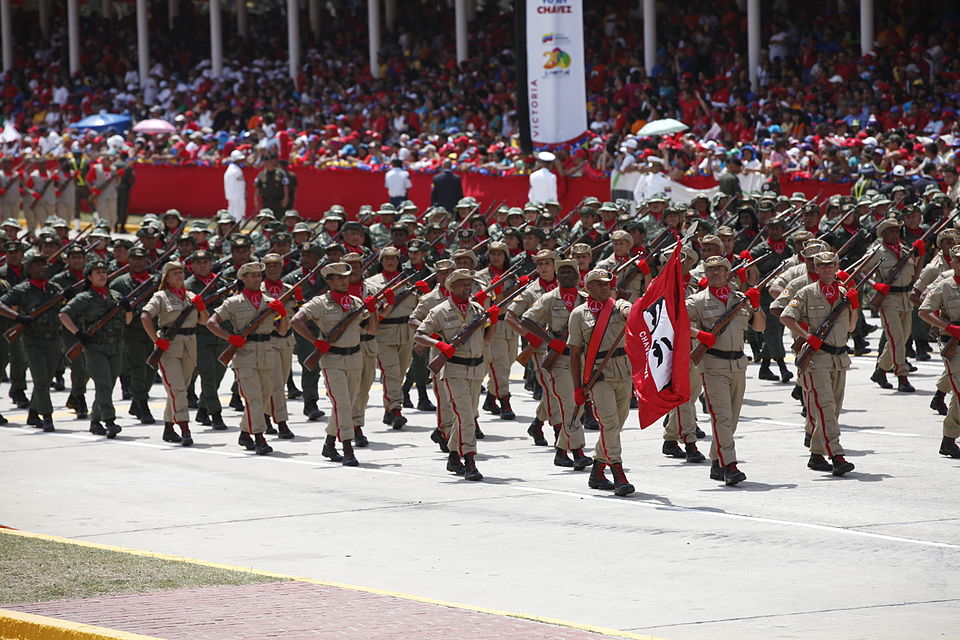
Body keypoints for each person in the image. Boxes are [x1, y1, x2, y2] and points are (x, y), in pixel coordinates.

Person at [687, 256, 765, 486]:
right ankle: (730, 465)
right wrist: (699, 335)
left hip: (738, 364)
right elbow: (677, 321)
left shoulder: (740, 300)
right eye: (710, 270)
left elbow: (759, 327)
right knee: (721, 418)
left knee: (731, 420)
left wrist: (757, 306)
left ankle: (716, 461)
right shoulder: (697, 301)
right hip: (712, 365)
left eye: (720, 269)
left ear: (728, 272)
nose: (714, 273)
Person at [291, 262, 379, 467]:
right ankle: (347, 448)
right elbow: (297, 320)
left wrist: (373, 311)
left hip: (355, 357)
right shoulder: (320, 303)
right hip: (332, 359)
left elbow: (371, 331)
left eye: (346, 277)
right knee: (343, 404)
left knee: (346, 405)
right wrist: (316, 341)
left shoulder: (356, 303)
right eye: (338, 278)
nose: (343, 281)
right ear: (329, 281)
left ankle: (329, 443)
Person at [780, 251, 858, 476]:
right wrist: (806, 336)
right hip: (816, 359)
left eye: (830, 266)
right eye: (821, 266)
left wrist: (855, 305)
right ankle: (836, 454)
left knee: (832, 409)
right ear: (816, 267)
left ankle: (816, 454)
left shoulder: (843, 293)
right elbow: (786, 316)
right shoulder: (806, 292)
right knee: (825, 408)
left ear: (836, 267)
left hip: (839, 358)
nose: (826, 270)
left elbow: (851, 327)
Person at [414, 268, 494, 482]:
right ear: (451, 287)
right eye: (462, 284)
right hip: (453, 370)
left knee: (465, 416)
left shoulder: (477, 309)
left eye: (469, 284)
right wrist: (439, 344)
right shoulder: (440, 311)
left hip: (476, 370)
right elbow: (419, 334)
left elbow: (487, 338)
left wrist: (493, 320)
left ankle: (452, 456)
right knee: (466, 417)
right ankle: (469, 460)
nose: (467, 288)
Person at [206, 261, 286, 456]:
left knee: (264, 398)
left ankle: (244, 432)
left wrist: (283, 314)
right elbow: (211, 322)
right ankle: (259, 437)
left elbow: (282, 331)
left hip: (266, 351)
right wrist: (230, 338)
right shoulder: (234, 302)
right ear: (243, 278)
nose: (257, 279)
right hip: (245, 353)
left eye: (259, 276)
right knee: (253, 399)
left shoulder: (269, 302)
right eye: (252, 275)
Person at [520, 259, 593, 470]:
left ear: (578, 276)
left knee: (578, 407)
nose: (567, 275)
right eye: (563, 272)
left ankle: (561, 452)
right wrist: (549, 340)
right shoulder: (549, 298)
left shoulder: (586, 299)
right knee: (569, 406)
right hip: (559, 359)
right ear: (558, 276)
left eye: (571, 272)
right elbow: (526, 319)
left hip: (580, 359)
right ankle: (578, 452)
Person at [568, 268, 634, 496]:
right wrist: (578, 387)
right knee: (610, 425)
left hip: (623, 373)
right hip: (599, 377)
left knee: (616, 425)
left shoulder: (618, 305)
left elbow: (630, 311)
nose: (605, 287)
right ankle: (617, 471)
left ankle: (597, 470)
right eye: (599, 284)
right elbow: (575, 354)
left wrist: (629, 310)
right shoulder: (579, 314)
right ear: (588, 288)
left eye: (607, 284)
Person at [59, 261, 125, 439]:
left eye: (104, 272)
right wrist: (78, 333)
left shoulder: (116, 295)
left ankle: (95, 421)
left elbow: (126, 320)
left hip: (115, 346)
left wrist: (127, 309)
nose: (102, 275)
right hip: (95, 348)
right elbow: (64, 314)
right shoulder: (84, 297)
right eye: (97, 272)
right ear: (89, 277)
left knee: (108, 386)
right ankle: (109, 421)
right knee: (103, 384)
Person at [0, 255, 63, 431]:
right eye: (37, 264)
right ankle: (47, 416)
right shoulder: (20, 290)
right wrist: (17, 317)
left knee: (46, 378)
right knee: (41, 380)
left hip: (53, 339)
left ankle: (34, 413)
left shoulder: (54, 289)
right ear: (29, 268)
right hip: (32, 340)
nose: (42, 267)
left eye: (44, 264)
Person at [141, 261, 197, 446]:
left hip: (189, 345)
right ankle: (184, 427)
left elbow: (204, 321)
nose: (179, 276)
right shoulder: (160, 296)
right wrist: (156, 341)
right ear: (166, 277)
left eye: (181, 272)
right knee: (178, 389)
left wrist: (202, 307)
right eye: (174, 273)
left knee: (177, 390)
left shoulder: (191, 297)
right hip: (169, 346)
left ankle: (168, 427)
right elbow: (145, 316)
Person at [869, 218, 922, 392]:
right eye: (891, 231)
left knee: (900, 338)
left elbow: (914, 274)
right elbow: (860, 271)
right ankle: (902, 376)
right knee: (897, 339)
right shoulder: (877, 252)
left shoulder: (904, 249)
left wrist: (920, 255)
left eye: (897, 231)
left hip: (905, 298)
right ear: (883, 233)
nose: (895, 234)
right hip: (889, 299)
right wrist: (875, 285)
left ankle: (880, 370)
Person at [918, 244, 960, 459]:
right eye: (958, 260)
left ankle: (948, 439)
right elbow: (923, 311)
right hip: (954, 343)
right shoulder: (945, 285)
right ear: (952, 262)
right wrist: (948, 327)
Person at [366, 247, 415, 429]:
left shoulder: (408, 281)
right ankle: (396, 410)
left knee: (400, 372)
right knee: (391, 373)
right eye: (386, 258)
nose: (390, 261)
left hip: (406, 331)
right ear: (381, 261)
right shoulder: (371, 283)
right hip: (384, 332)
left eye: (393, 258)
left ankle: (389, 408)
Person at [112, 247, 157, 425]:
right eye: (134, 258)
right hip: (133, 332)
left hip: (153, 330)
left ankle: (137, 401)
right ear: (129, 260)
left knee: (151, 370)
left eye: (142, 258)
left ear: (148, 260)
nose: (138, 262)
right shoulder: (119, 283)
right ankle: (143, 404)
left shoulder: (155, 281)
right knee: (139, 368)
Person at [185, 250, 228, 430]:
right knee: (208, 374)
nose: (202, 265)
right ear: (193, 266)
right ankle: (215, 413)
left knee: (219, 374)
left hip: (221, 334)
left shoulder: (223, 284)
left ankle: (203, 409)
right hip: (200, 336)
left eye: (206, 262)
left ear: (211, 263)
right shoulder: (188, 286)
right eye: (198, 262)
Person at [261, 253, 295, 439]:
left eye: (276, 265)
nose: (272, 268)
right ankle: (281, 422)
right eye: (269, 265)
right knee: (275, 384)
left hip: (287, 340)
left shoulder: (289, 289)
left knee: (279, 383)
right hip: (269, 340)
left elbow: (298, 314)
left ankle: (265, 415)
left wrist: (299, 301)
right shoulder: (259, 290)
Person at [223, 150, 247, 222]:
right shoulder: (236, 170)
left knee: (232, 212)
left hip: (232, 195)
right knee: (238, 213)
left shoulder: (230, 169)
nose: (242, 161)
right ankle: (238, 227)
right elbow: (241, 184)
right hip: (238, 195)